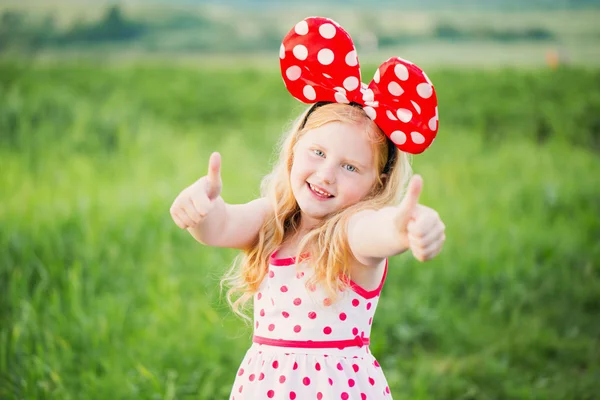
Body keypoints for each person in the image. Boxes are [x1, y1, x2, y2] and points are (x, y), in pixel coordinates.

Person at [170, 16, 445, 400]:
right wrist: (201, 209)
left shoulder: (352, 233)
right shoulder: (272, 220)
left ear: (376, 184)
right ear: (294, 150)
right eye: (318, 153)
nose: (327, 174)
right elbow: (220, 226)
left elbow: (380, 230)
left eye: (350, 167)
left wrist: (408, 224)